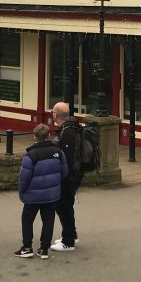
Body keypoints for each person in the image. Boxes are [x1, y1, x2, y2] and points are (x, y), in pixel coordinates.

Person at [15, 123, 67, 259]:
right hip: (51, 194)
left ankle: (27, 247)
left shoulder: (30, 156)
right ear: (48, 135)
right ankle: (44, 249)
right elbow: (64, 172)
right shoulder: (58, 152)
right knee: (48, 220)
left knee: (27, 219)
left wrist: (22, 192)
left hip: (33, 195)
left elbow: (24, 178)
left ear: (34, 137)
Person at [50, 101, 83, 252]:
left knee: (64, 206)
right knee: (66, 206)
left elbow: (67, 159)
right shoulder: (72, 126)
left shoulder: (68, 131)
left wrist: (61, 176)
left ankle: (68, 241)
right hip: (73, 175)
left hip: (68, 177)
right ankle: (71, 235)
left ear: (56, 114)